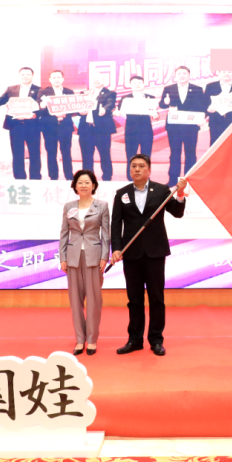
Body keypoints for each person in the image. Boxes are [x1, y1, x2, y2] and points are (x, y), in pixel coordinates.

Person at [111, 154, 187, 356]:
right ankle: (135, 340)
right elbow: (116, 224)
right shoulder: (122, 194)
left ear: (149, 170)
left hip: (155, 252)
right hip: (131, 253)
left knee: (156, 298)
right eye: (133, 166)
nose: (137, 169)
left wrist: (180, 194)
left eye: (141, 166)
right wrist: (116, 248)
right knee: (134, 299)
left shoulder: (161, 190)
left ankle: (156, 340)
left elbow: (177, 212)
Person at [60, 169, 110, 356]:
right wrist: (63, 257)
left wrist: (104, 256)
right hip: (73, 258)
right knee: (75, 301)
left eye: (87, 182)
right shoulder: (68, 207)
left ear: (93, 185)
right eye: (79, 182)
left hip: (94, 257)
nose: (83, 185)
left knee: (94, 300)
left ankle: (92, 339)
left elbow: (106, 234)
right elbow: (64, 233)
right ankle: (80, 340)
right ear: (75, 186)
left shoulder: (102, 206)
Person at [0, 67, 42, 180]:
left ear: (32, 76)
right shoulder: (11, 89)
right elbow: (1, 100)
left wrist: (34, 115)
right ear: (19, 75)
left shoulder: (39, 90)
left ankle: (35, 178)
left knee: (35, 153)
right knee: (17, 153)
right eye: (23, 74)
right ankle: (19, 177)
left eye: (28, 74)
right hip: (15, 125)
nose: (25, 76)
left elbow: (41, 106)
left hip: (32, 125)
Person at [159, 66, 208, 187]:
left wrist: (201, 118)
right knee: (174, 153)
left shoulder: (197, 89)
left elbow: (202, 106)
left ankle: (189, 180)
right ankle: (173, 179)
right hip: (174, 127)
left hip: (191, 127)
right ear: (175, 76)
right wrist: (165, 103)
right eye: (179, 73)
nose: (182, 76)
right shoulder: (168, 89)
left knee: (190, 153)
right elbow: (162, 105)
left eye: (184, 73)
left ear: (189, 75)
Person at [76, 73, 117, 181]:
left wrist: (105, 110)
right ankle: (88, 178)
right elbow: (77, 107)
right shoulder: (84, 93)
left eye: (99, 78)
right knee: (86, 155)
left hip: (102, 130)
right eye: (94, 78)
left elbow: (110, 104)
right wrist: (80, 112)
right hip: (86, 129)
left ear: (104, 80)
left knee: (105, 154)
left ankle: (107, 177)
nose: (96, 80)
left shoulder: (110, 93)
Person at [117, 76, 158, 181]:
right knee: (130, 154)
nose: (137, 84)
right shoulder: (125, 98)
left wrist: (155, 115)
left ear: (144, 84)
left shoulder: (151, 97)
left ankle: (145, 177)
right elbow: (119, 112)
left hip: (146, 130)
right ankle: (130, 177)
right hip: (131, 130)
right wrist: (116, 113)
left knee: (146, 155)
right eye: (134, 83)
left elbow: (155, 113)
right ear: (130, 85)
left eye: (140, 82)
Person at [38, 70, 76, 181]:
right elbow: (39, 109)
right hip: (49, 127)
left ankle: (69, 176)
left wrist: (65, 114)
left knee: (66, 152)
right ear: (50, 80)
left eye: (58, 77)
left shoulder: (69, 92)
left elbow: (74, 108)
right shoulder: (43, 92)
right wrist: (43, 105)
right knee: (51, 152)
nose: (56, 80)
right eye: (54, 78)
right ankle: (53, 177)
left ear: (63, 79)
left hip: (65, 126)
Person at [204, 70, 232, 146]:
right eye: (223, 72)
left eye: (229, 72)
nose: (226, 74)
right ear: (219, 73)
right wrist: (208, 109)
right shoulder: (210, 86)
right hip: (216, 120)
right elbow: (205, 102)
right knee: (216, 144)